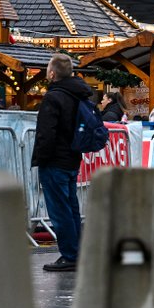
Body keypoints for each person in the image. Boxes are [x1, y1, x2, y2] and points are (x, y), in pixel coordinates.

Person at [32, 54, 94, 272]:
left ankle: (70, 255)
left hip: (54, 161)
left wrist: (41, 158)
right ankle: (77, 252)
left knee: (60, 210)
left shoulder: (53, 98)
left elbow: (46, 133)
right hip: (72, 158)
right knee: (71, 207)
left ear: (52, 73)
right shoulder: (79, 95)